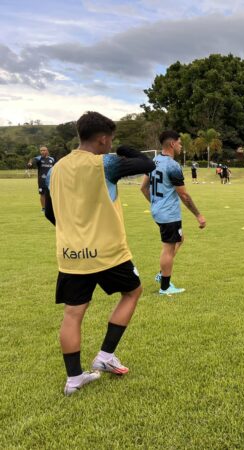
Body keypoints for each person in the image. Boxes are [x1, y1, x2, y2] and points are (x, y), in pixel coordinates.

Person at [44, 111, 155, 396]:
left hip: (70, 255)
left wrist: (74, 232)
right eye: (111, 141)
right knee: (132, 292)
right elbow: (147, 163)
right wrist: (122, 149)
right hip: (108, 253)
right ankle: (105, 355)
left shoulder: (55, 168)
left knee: (73, 315)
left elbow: (49, 212)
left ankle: (73, 379)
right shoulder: (104, 163)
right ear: (104, 139)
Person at [141, 130, 207, 294]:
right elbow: (183, 194)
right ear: (172, 144)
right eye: (179, 142)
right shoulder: (172, 166)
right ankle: (165, 286)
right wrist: (198, 215)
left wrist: (156, 203)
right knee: (168, 248)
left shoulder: (153, 161)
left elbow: (143, 188)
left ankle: (162, 274)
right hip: (168, 214)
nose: (180, 145)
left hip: (157, 211)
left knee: (179, 238)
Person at [28, 146, 55, 211]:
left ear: (47, 151)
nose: (42, 152)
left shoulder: (52, 159)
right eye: (41, 151)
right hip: (42, 180)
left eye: (44, 150)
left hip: (51, 180)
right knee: (42, 194)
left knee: (52, 194)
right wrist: (30, 163)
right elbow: (33, 159)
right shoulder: (39, 158)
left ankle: (52, 207)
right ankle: (43, 208)